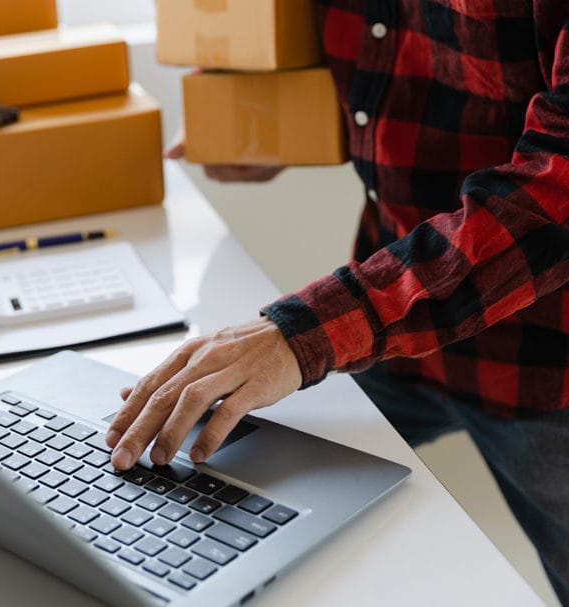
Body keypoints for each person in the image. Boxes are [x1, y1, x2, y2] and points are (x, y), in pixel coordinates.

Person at [106, 2, 569, 603]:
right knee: (193, 492)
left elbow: (554, 194)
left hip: (543, 363)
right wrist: (272, 118)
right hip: (392, 335)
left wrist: (304, 334)